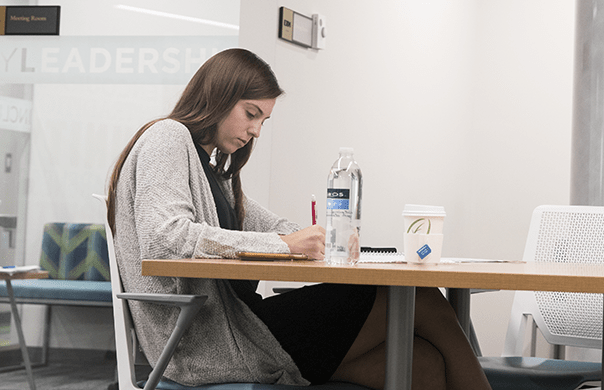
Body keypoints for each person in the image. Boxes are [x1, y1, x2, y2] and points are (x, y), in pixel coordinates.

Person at [107, 48, 492, 390]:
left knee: (423, 365)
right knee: (419, 297)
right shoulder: (168, 137)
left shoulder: (215, 173)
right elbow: (165, 237)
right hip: (210, 343)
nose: (255, 130)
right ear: (218, 96)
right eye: (250, 114)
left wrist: (322, 239)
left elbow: (270, 225)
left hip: (239, 327)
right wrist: (286, 245)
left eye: (263, 120)